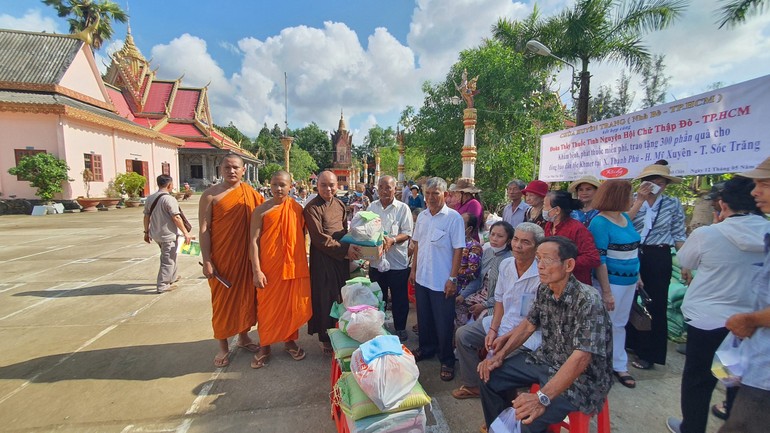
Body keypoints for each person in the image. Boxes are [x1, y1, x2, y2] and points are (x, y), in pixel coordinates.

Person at [665, 176, 770, 433]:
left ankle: (692, 427)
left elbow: (685, 259)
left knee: (698, 380)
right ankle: (733, 416)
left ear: (722, 204)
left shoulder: (708, 233)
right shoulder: (766, 234)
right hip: (749, 323)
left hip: (707, 320)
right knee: (735, 379)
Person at [477, 236, 613, 432]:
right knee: (488, 375)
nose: (540, 266)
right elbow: (528, 325)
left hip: (582, 380)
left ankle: (515, 427)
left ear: (568, 265)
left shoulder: (588, 300)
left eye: (547, 260)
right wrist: (499, 356)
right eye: (538, 259)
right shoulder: (545, 289)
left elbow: (581, 358)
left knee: (526, 418)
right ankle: (498, 427)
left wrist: (542, 397)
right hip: (547, 360)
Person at [452, 222, 542, 400]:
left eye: (525, 242)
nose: (517, 245)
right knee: (463, 335)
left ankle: (502, 404)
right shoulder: (507, 264)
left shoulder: (541, 275)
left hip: (527, 334)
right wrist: (493, 329)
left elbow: (531, 322)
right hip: (503, 322)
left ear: (537, 247)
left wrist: (502, 340)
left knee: (499, 364)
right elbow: (499, 300)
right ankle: (473, 385)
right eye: (516, 239)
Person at [717, 156, 770, 433]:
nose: (755, 192)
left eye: (764, 184)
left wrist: (751, 320)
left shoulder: (712, 233)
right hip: (756, 359)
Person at [199, 154, 265, 367]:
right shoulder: (210, 196)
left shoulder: (251, 194)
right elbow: (204, 230)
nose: (231, 171)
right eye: (227, 167)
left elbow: (265, 222)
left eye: (236, 167)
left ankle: (244, 337)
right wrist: (207, 260)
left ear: (243, 170)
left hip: (245, 259)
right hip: (223, 260)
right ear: (220, 169)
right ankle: (223, 347)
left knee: (246, 299)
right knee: (222, 304)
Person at [248, 171, 312, 369]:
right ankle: (265, 345)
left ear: (290, 186)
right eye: (275, 184)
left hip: (292, 267)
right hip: (269, 268)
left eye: (283, 185)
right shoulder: (261, 211)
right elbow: (253, 242)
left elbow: (301, 236)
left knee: (291, 306)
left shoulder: (296, 209)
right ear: (270, 185)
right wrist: (257, 270)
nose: (278, 188)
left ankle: (289, 341)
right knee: (267, 308)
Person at [627, 160, 687, 370]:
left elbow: (679, 234)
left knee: (655, 304)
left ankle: (650, 353)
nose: (653, 184)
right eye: (649, 180)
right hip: (634, 252)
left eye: (658, 181)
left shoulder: (672, 204)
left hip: (659, 255)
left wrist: (686, 261)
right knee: (631, 301)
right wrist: (640, 200)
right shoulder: (633, 200)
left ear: (665, 184)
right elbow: (625, 223)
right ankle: (632, 343)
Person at [409, 177, 465, 381]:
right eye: (428, 193)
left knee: (443, 323)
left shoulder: (453, 218)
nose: (431, 197)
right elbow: (417, 245)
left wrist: (453, 278)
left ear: (446, 195)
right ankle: (426, 349)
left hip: (442, 281)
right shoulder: (423, 216)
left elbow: (458, 249)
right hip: (423, 277)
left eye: (436, 193)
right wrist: (413, 270)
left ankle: (447, 360)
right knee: (424, 318)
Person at [588, 180, 641, 389]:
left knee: (620, 324)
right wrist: (607, 291)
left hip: (629, 281)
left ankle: (619, 364)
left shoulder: (625, 218)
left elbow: (633, 250)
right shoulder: (599, 222)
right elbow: (599, 259)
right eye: (630, 196)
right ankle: (599, 366)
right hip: (612, 282)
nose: (633, 199)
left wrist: (638, 275)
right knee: (605, 325)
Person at [304, 171, 361, 354]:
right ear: (317, 186)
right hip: (323, 259)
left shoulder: (339, 204)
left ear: (337, 186)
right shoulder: (312, 208)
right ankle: (325, 336)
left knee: (340, 295)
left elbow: (344, 230)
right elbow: (319, 238)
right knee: (325, 297)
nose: (328, 189)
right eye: (323, 185)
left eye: (331, 185)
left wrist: (354, 244)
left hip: (341, 258)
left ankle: (339, 330)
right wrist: (345, 250)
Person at [368, 175, 414, 342]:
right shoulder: (372, 207)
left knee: (399, 297)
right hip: (376, 261)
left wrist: (392, 240)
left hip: (397, 263)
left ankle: (400, 328)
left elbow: (408, 232)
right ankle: (377, 327)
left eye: (388, 187)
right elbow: (365, 229)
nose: (384, 191)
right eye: (381, 187)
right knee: (377, 296)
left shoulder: (403, 209)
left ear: (395, 189)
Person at [456, 221, 515, 326]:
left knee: (483, 319)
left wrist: (484, 305)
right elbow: (478, 279)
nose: (494, 238)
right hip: (479, 295)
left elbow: (506, 293)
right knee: (456, 305)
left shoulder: (510, 261)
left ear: (509, 240)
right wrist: (463, 295)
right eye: (492, 234)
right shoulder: (488, 252)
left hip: (496, 302)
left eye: (500, 236)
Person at [143, 174, 193, 293]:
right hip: (167, 235)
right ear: (169, 185)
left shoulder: (150, 198)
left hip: (156, 234)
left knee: (171, 254)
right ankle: (163, 284)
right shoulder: (169, 199)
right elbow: (176, 217)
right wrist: (186, 233)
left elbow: (146, 216)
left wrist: (146, 231)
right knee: (168, 259)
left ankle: (172, 277)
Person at [542, 190, 600, 286]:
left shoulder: (577, 229)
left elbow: (593, 258)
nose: (543, 209)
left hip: (575, 284)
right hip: (553, 282)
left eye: (544, 205)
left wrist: (564, 264)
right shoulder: (548, 226)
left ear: (556, 210)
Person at [455, 213, 484, 326]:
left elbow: (472, 273)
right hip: (448, 289)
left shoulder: (473, 247)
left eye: (461, 223)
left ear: (469, 229)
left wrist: (453, 272)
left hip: (462, 292)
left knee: (459, 325)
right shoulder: (454, 243)